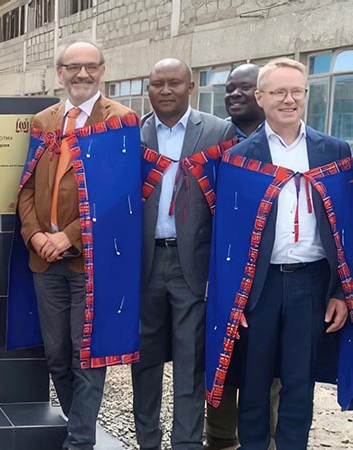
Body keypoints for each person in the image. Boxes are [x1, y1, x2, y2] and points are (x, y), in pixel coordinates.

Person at [206, 57, 352, 450]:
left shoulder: (334, 151)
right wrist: (230, 300)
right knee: (254, 380)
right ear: (261, 97)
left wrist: (340, 291)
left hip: (312, 282)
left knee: (299, 382)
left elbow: (345, 229)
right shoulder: (239, 156)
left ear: (306, 94)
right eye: (278, 92)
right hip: (258, 286)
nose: (289, 100)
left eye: (297, 91)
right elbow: (226, 237)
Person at [15, 40, 141, 450]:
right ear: (60, 73)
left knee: (86, 357)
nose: (82, 74)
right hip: (44, 261)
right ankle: (78, 423)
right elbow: (28, 187)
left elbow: (118, 195)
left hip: (91, 262)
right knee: (56, 355)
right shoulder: (44, 119)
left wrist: (66, 236)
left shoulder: (121, 120)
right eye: (73, 67)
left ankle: (79, 441)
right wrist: (35, 236)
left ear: (103, 70)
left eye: (90, 67)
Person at [132, 58, 234, 450]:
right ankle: (147, 442)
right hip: (145, 263)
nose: (165, 90)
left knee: (191, 366)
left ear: (190, 88)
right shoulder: (134, 134)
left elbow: (228, 202)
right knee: (144, 364)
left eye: (174, 83)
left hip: (193, 264)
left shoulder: (217, 131)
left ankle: (187, 444)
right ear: (148, 89)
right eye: (157, 83)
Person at [205, 62, 276, 450]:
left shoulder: (283, 146)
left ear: (262, 95)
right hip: (221, 269)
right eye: (229, 89)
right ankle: (218, 438)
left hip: (272, 274)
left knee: (269, 363)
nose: (233, 95)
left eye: (242, 89)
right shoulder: (215, 142)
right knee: (222, 355)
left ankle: (266, 438)